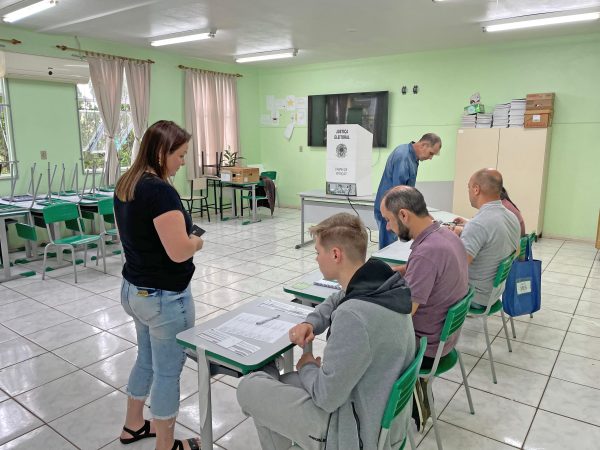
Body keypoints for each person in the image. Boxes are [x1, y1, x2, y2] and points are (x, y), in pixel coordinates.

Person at [237, 213, 415, 450]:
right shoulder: (381, 282)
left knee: (250, 387)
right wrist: (311, 323)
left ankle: (265, 372)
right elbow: (337, 298)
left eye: (318, 252)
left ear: (335, 254)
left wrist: (308, 364)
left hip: (352, 431)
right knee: (281, 386)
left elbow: (326, 397)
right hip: (380, 416)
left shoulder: (353, 316)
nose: (316, 259)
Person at [114, 120, 203, 450]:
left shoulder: (127, 182)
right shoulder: (160, 191)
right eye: (180, 155)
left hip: (135, 289)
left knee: (146, 359)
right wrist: (196, 242)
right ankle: (166, 445)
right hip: (164, 298)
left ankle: (134, 425)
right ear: (162, 152)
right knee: (167, 372)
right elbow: (178, 251)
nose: (182, 162)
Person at [379, 186, 469, 431]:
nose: (387, 227)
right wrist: (393, 271)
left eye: (388, 220)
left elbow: (406, 312)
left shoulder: (427, 252)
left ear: (404, 215)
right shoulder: (446, 235)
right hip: (446, 337)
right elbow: (422, 270)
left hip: (425, 346)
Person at [452, 168, 520, 309]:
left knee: (423, 282)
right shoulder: (511, 217)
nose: (469, 192)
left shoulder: (479, 224)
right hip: (495, 293)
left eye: (469, 187)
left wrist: (449, 239)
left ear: (476, 189)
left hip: (475, 296)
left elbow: (457, 268)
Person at [374, 133, 442, 249]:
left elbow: (407, 193)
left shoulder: (413, 157)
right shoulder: (403, 156)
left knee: (394, 245)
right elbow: (399, 195)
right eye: (431, 153)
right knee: (389, 249)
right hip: (390, 211)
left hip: (395, 208)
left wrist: (425, 215)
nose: (430, 158)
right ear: (423, 145)